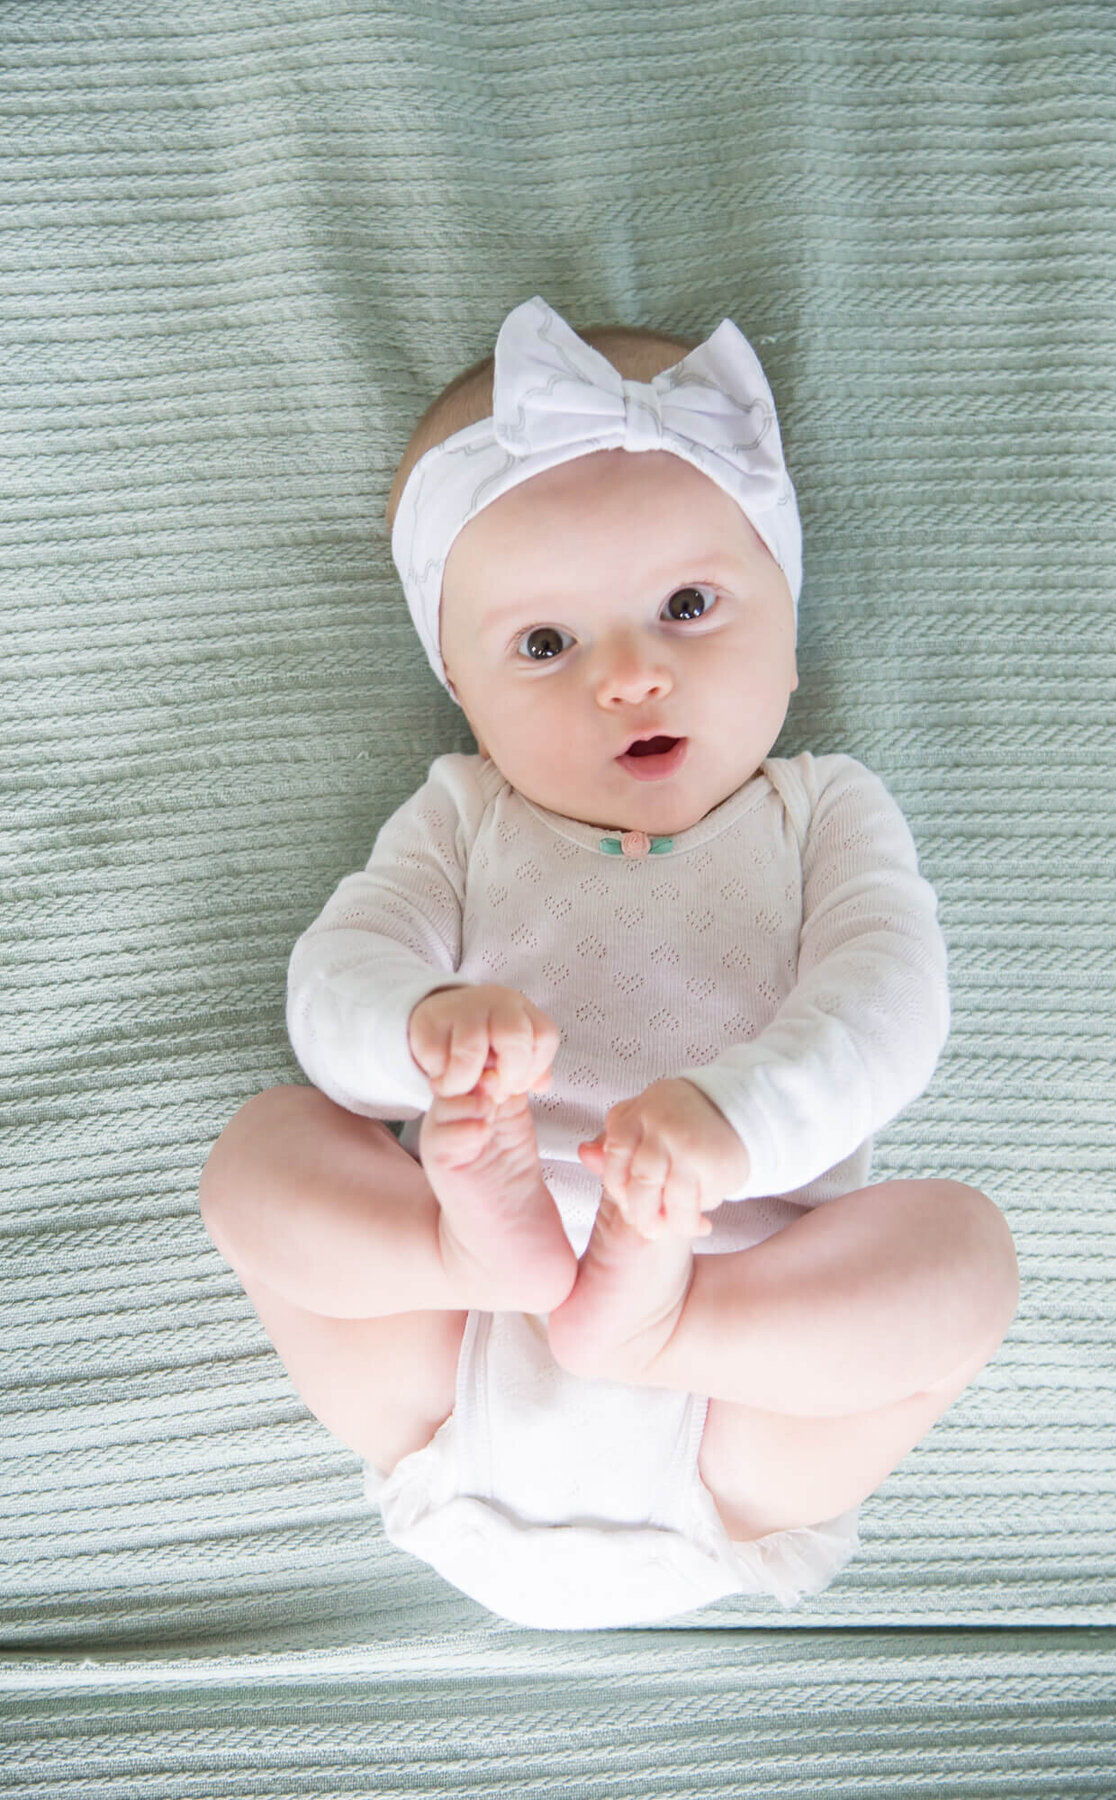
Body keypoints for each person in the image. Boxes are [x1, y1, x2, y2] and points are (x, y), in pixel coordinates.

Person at [198, 295, 1020, 1630]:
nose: (630, 675)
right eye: (544, 644)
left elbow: (888, 1005)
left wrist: (733, 1122)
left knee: (961, 1260)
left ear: (788, 625)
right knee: (259, 1157)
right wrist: (420, 1028)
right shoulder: (463, 818)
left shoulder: (824, 814)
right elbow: (336, 974)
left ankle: (652, 1322)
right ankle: (491, 1256)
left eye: (689, 606)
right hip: (451, 1352)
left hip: (734, 1396)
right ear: (461, 687)